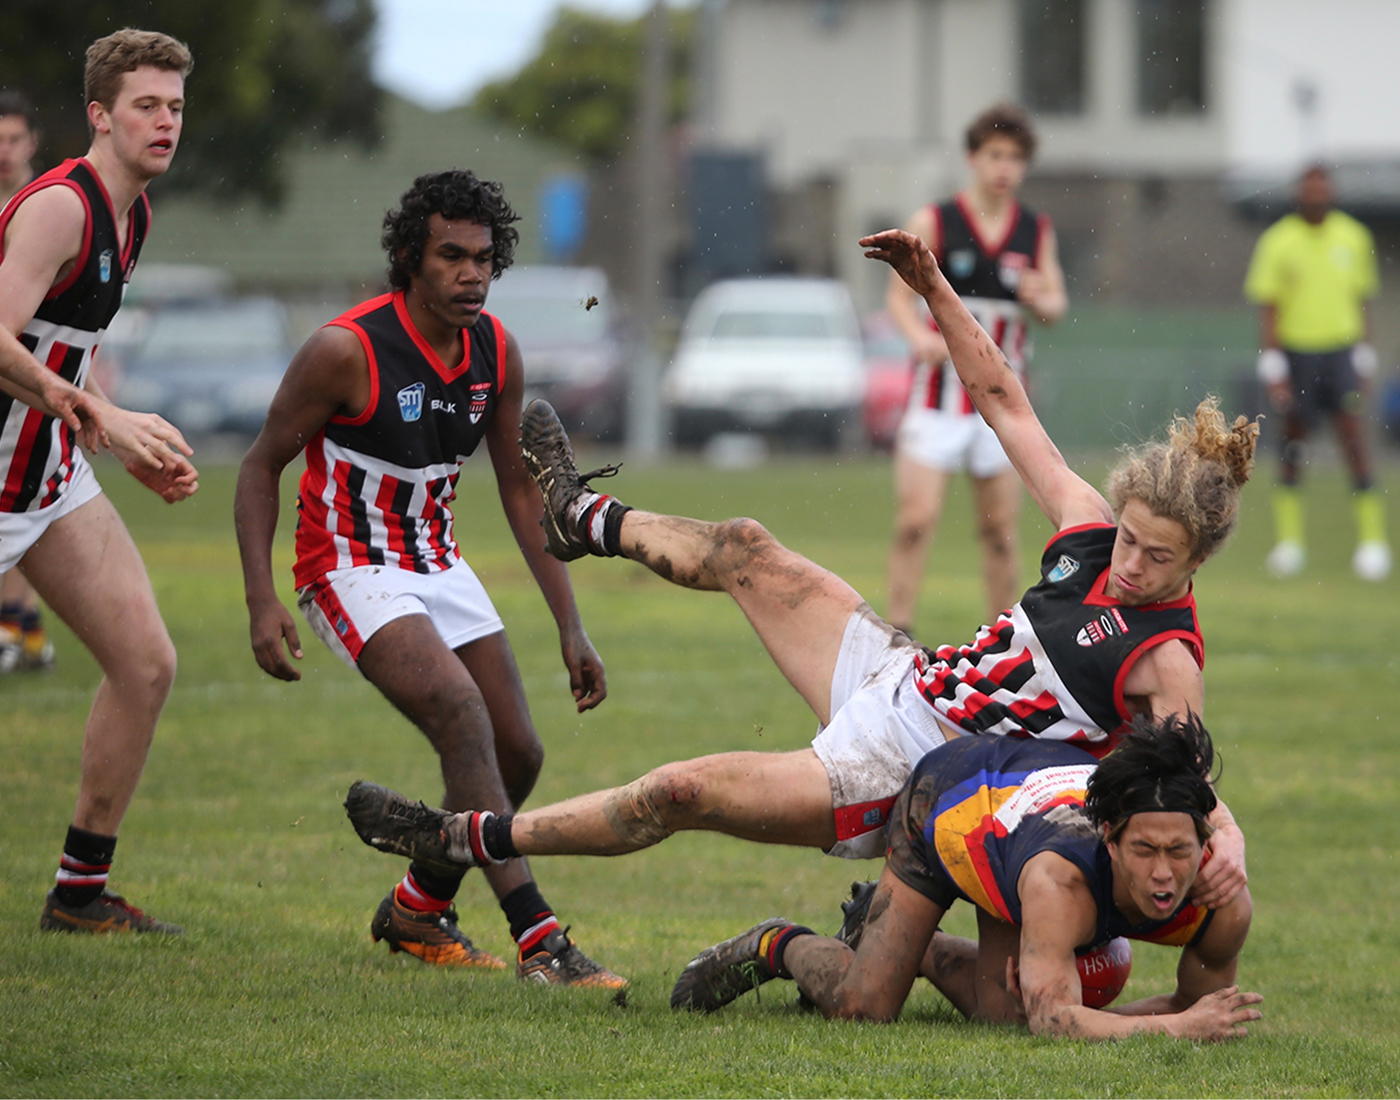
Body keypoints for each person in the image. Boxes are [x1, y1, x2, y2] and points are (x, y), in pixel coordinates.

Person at [344, 226, 1256, 916]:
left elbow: (1184, 788)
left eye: (1158, 557)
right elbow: (1003, 401)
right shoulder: (1093, 530)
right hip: (902, 675)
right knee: (745, 544)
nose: (1130, 563)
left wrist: (1228, 845)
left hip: (909, 769)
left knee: (679, 793)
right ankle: (578, 516)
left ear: (1201, 560)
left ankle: (462, 837)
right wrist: (931, 283)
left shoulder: (1168, 657)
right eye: (1130, 539)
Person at [234, 169, 624, 988]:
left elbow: (521, 489)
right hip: (346, 564)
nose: (470, 274)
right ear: (411, 258)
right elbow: (259, 465)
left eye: (483, 258)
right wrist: (261, 596)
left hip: (438, 563)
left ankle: (418, 906)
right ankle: (541, 941)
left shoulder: (497, 350)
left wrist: (570, 623)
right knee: (460, 713)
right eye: (451, 256)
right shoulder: (345, 348)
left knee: (517, 753)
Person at [669, 714, 1263, 1042]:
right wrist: (1177, 1030)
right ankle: (778, 943)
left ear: (1206, 842)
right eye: (1144, 850)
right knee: (863, 1009)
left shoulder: (1221, 904)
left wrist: (1180, 1020)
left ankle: (915, 947)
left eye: (1180, 851)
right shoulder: (1061, 885)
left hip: (1018, 829)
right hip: (951, 802)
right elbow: (1058, 1022)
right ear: (1109, 837)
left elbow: (1202, 1007)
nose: (1164, 873)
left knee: (1006, 1015)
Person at [0, 29, 201, 934]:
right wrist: (98, 416)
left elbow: (57, 352)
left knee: (146, 662)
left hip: (45, 472)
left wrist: (106, 435)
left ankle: (79, 894)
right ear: (98, 116)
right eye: (146, 107)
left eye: (175, 108)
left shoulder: (135, 211)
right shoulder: (60, 209)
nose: (165, 124)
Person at [885, 103, 1067, 632]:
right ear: (972, 158)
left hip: (1004, 405)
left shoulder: (1035, 230)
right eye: (994, 155)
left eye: (1014, 157)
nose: (1004, 167)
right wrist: (919, 336)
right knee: (915, 522)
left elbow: (1055, 305)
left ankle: (999, 639)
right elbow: (898, 298)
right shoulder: (935, 221)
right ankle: (898, 633)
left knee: (1000, 532)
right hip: (937, 396)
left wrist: (1041, 297)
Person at [1245, 163, 1389, 581]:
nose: (1316, 195)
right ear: (1298, 193)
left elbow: (1361, 299)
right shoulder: (1278, 241)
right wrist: (1273, 363)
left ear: (1331, 192)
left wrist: (1363, 353)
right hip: (1296, 352)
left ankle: (1372, 542)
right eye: (1309, 188)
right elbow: (1268, 305)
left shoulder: (1354, 237)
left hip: (1340, 351)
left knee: (1354, 440)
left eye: (1322, 187)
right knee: (1293, 444)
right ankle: (1290, 544)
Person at [0, 90, 56, 673]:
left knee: (29, 498)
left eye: (13, 139)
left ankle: (16, 628)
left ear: (32, 143)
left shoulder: (53, 204)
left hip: (41, 381)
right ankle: (27, 629)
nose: (5, 151)